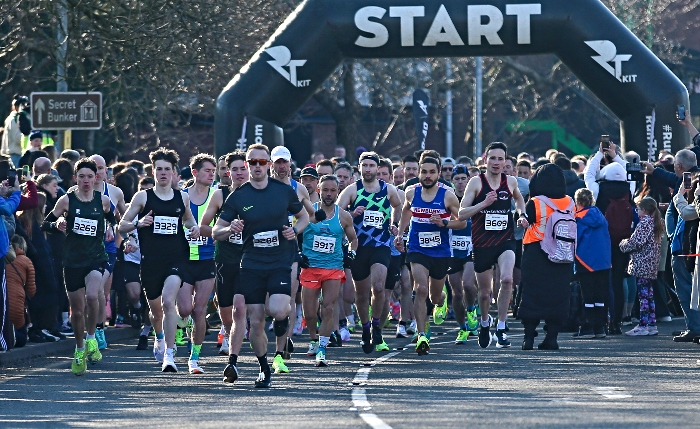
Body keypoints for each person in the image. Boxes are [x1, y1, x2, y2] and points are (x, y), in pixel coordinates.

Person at [212, 143, 309, 388]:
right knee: (255, 321)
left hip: (279, 261)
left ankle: (281, 329)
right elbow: (215, 230)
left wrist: (294, 231)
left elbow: (305, 216)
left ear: (268, 165)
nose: (257, 166)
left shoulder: (283, 191)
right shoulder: (239, 196)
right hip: (251, 264)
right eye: (252, 162)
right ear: (247, 165)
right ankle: (263, 367)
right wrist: (228, 228)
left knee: (277, 309)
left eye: (262, 162)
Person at [118, 148, 200, 373]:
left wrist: (193, 229)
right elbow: (121, 226)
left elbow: (189, 221)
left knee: (167, 301)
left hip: (176, 258)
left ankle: (170, 355)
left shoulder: (181, 197)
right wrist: (139, 223)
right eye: (159, 169)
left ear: (174, 173)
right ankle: (160, 336)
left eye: (167, 169)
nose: (163, 173)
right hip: (150, 261)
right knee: (156, 310)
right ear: (153, 172)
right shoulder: (143, 197)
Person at [43, 158, 115, 375]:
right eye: (81, 176)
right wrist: (57, 224)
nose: (86, 180)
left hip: (96, 257)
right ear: (75, 178)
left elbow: (113, 219)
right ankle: (79, 347)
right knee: (77, 310)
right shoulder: (66, 201)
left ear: (96, 178)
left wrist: (112, 228)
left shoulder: (102, 200)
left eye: (90, 176)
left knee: (93, 296)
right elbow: (44, 224)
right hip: (73, 260)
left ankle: (92, 338)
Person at [458, 142, 527, 349]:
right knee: (484, 292)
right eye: (493, 158)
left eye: (501, 159)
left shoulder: (511, 182)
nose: (497, 163)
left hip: (505, 241)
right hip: (482, 243)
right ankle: (485, 322)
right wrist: (484, 204)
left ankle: (502, 326)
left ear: (506, 161)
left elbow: (520, 201)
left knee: (507, 280)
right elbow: (461, 213)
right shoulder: (476, 183)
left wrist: (521, 214)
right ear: (485, 160)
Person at [395, 157, 464, 355]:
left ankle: (441, 301)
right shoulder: (411, 192)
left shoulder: (447, 195)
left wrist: (444, 223)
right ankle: (422, 334)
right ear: (418, 172)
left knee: (434, 296)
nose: (427, 176)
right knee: (420, 288)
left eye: (431, 172)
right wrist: (400, 233)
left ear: (439, 172)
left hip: (441, 251)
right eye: (423, 172)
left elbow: (462, 222)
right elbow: (406, 211)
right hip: (417, 248)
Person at [337, 151, 401, 354]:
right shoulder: (352, 190)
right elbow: (336, 212)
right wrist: (351, 214)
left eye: (371, 166)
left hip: (381, 245)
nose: (368, 169)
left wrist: (395, 223)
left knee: (379, 287)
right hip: (359, 246)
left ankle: (376, 326)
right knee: (362, 294)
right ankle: (365, 328)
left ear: (376, 168)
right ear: (359, 168)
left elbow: (399, 206)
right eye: (364, 166)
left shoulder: (388, 190)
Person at [201, 152, 249, 380]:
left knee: (241, 309)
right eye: (235, 169)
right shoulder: (220, 195)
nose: (239, 173)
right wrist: (227, 230)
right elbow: (204, 227)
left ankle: (233, 361)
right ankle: (229, 331)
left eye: (243, 168)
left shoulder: (260, 195)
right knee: (226, 311)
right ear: (228, 173)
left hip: (250, 260)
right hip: (225, 260)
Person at [301, 175, 357, 366]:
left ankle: (322, 349)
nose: (329, 194)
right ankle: (313, 340)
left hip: (333, 268)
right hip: (311, 267)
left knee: (328, 307)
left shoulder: (344, 216)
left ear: (337, 192)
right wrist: (298, 253)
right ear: (319, 190)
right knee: (309, 312)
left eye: (333, 190)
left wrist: (352, 253)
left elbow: (353, 239)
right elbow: (294, 233)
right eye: (325, 190)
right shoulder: (309, 212)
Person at [518, 164, 574, 350]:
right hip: (562, 254)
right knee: (558, 296)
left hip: (536, 253)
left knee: (532, 294)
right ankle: (552, 337)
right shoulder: (570, 202)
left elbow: (526, 222)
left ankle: (528, 337)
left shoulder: (535, 202)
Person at [269, 145, 315, 371]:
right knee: (267, 301)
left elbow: (310, 215)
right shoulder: (261, 187)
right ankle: (279, 330)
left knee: (287, 296)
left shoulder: (298, 188)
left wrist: (296, 229)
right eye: (277, 162)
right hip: (263, 249)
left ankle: (283, 341)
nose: (281, 166)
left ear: (290, 164)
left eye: (284, 162)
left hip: (289, 249)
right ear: (271, 164)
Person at [584, 140, 634, 334]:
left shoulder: (597, 190)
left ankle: (602, 321)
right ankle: (617, 323)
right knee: (619, 282)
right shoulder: (629, 189)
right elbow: (628, 171)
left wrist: (598, 155)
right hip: (622, 242)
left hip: (602, 242)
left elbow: (588, 174)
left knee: (603, 283)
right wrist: (615, 155)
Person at [176, 154, 218, 374]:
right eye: (207, 171)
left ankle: (194, 358)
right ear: (195, 173)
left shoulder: (217, 196)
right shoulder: (181, 197)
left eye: (214, 171)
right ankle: (179, 325)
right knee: (184, 309)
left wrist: (205, 231)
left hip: (206, 259)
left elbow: (223, 228)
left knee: (199, 310)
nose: (212, 174)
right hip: (183, 260)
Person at [90, 154, 127, 350]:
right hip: (84, 249)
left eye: (101, 168)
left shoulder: (114, 192)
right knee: (90, 293)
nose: (97, 172)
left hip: (108, 249)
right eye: (93, 168)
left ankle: (98, 330)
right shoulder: (74, 192)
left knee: (98, 289)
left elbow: (125, 219)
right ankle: (92, 329)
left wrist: (123, 237)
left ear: (106, 171)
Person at [620, 197, 663, 336]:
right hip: (651, 263)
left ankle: (643, 324)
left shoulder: (644, 222)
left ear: (644, 210)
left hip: (642, 263)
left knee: (643, 295)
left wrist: (623, 244)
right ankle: (652, 323)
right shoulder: (657, 222)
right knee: (649, 295)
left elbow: (636, 242)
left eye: (638, 209)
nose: (636, 211)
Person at [446, 164, 478, 344]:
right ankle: (462, 327)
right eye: (456, 179)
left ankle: (472, 309)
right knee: (457, 293)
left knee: (468, 284)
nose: (460, 183)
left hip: (471, 249)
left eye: (463, 179)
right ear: (452, 181)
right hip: (452, 250)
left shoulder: (474, 199)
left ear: (468, 180)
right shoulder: (448, 200)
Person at [573, 188, 611, 338]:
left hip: (585, 259)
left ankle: (588, 325)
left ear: (578, 203)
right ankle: (600, 327)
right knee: (600, 295)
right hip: (603, 260)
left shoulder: (579, 218)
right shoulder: (600, 216)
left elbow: (575, 239)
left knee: (587, 295)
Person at [5, 235, 35, 348]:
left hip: (3, 304)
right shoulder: (26, 261)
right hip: (16, 308)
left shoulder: (3, 258)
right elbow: (31, 291)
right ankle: (12, 335)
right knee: (22, 339)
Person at [1, 95, 31, 168]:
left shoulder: (16, 117)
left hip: (19, 154)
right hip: (17, 155)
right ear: (16, 106)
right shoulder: (15, 119)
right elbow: (17, 137)